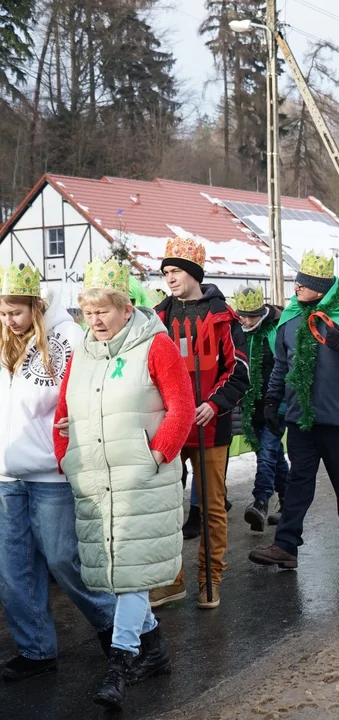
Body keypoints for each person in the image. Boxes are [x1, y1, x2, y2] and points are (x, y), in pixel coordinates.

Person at [54, 259, 195, 709]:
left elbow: (181, 407)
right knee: (117, 577)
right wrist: (70, 462)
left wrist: (155, 456)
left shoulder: (155, 346)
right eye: (88, 312)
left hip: (141, 483)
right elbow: (63, 417)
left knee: (132, 580)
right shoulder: (81, 355)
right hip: (96, 481)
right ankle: (154, 651)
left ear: (125, 306)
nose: (95, 320)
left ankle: (119, 663)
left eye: (104, 311)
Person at [0, 264, 116, 682]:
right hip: (6, 475)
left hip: (50, 473)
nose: (8, 321)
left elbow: (82, 395)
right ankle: (35, 650)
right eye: (2, 313)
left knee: (64, 560)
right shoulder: (2, 341)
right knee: (14, 569)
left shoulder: (66, 338)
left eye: (15, 312)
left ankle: (116, 628)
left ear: (35, 305)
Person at [248, 252, 339, 569]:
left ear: (321, 287)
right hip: (301, 418)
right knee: (298, 483)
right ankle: (286, 546)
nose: (297, 288)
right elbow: (282, 365)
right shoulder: (290, 318)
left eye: (304, 284)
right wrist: (271, 400)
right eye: (297, 281)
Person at [153, 236, 249, 609]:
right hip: (170, 427)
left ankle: (211, 579)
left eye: (175, 271)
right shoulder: (159, 317)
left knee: (210, 507)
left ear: (192, 272)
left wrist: (214, 404)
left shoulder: (223, 316)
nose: (170, 278)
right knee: (166, 507)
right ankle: (170, 581)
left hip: (211, 426)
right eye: (165, 272)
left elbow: (239, 371)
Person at [232, 285, 290, 532]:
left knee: (267, 454)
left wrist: (282, 404)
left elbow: (287, 369)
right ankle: (287, 501)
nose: (246, 320)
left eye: (251, 316)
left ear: (262, 313)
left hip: (275, 407)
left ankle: (261, 501)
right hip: (252, 407)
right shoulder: (240, 334)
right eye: (242, 315)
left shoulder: (276, 332)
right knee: (272, 456)